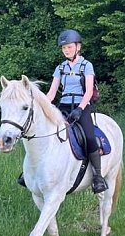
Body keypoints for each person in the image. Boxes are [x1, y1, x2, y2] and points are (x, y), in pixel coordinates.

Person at [46, 29, 108, 194]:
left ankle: (98, 177)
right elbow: (51, 93)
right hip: (64, 107)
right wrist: (41, 106)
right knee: (47, 133)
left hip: (82, 106)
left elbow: (89, 91)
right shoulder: (60, 68)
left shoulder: (86, 66)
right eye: (64, 48)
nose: (66, 50)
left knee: (89, 137)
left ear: (78, 47)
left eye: (69, 47)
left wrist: (80, 109)